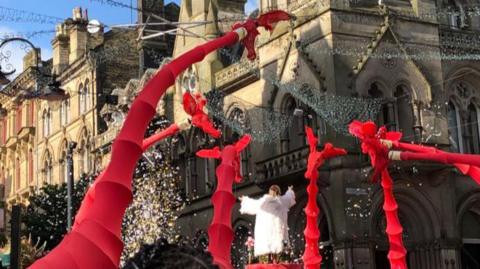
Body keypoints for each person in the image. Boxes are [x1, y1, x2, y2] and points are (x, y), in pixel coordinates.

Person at [239, 185, 296, 263]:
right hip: (279, 238)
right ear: (278, 192)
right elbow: (289, 198)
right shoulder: (282, 201)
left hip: (265, 239)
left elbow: (251, 204)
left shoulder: (262, 202)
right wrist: (289, 190)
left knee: (266, 261)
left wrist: (244, 200)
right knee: (281, 258)